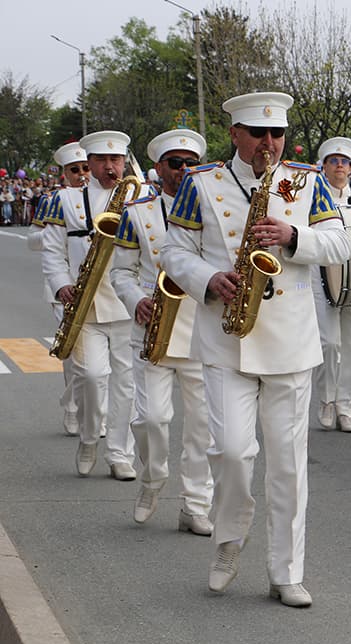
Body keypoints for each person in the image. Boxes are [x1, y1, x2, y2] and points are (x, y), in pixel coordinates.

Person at [161, 91, 350, 607]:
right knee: (230, 451)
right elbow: (173, 250)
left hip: (289, 338)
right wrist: (207, 277)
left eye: (277, 134)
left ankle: (285, 571)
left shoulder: (307, 180)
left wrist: (293, 235)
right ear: (236, 135)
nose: (269, 143)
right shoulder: (202, 183)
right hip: (225, 336)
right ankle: (227, 542)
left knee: (288, 464)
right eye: (258, 134)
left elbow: (340, 243)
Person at [110, 128, 214, 534]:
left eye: (191, 164)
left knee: (202, 424)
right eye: (176, 163)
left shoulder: (212, 208)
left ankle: (195, 503)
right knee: (151, 418)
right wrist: (136, 300)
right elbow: (121, 272)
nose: (184, 171)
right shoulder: (137, 212)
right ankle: (152, 479)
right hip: (152, 327)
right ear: (159, 167)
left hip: (200, 328)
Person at [42, 131, 144, 480]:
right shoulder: (66, 200)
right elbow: (53, 252)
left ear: (124, 162)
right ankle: (88, 438)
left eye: (116, 160)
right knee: (90, 375)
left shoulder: (140, 197)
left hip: (128, 304)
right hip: (86, 303)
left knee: (126, 383)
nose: (109, 167)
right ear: (91, 162)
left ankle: (119, 453)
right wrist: (61, 285)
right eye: (101, 160)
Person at [313, 136, 351, 433]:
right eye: (333, 161)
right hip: (323, 277)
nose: (339, 166)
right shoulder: (313, 196)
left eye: (344, 162)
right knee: (329, 342)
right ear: (323, 166)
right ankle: (326, 399)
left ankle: (346, 408)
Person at [31, 143, 86, 436]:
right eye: (74, 170)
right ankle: (73, 408)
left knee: (100, 364)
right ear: (64, 173)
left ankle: (87, 408)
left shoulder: (107, 199)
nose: (81, 175)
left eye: (85, 168)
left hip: (101, 289)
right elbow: (33, 240)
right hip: (64, 288)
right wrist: (57, 233)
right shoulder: (53, 200)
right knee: (74, 353)